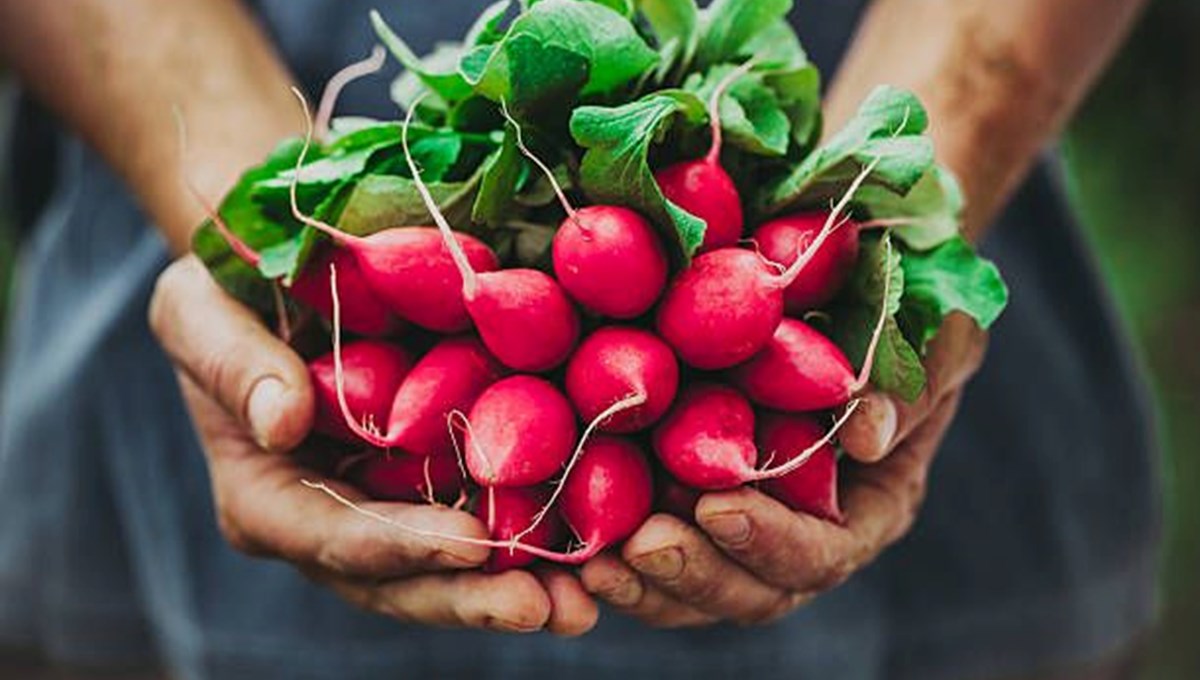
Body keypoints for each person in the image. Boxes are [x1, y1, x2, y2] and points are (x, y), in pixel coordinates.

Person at [0, 1, 1158, 678]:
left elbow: (656, 367)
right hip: (172, 257)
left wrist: (883, 219)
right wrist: (260, 223)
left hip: (956, 491)